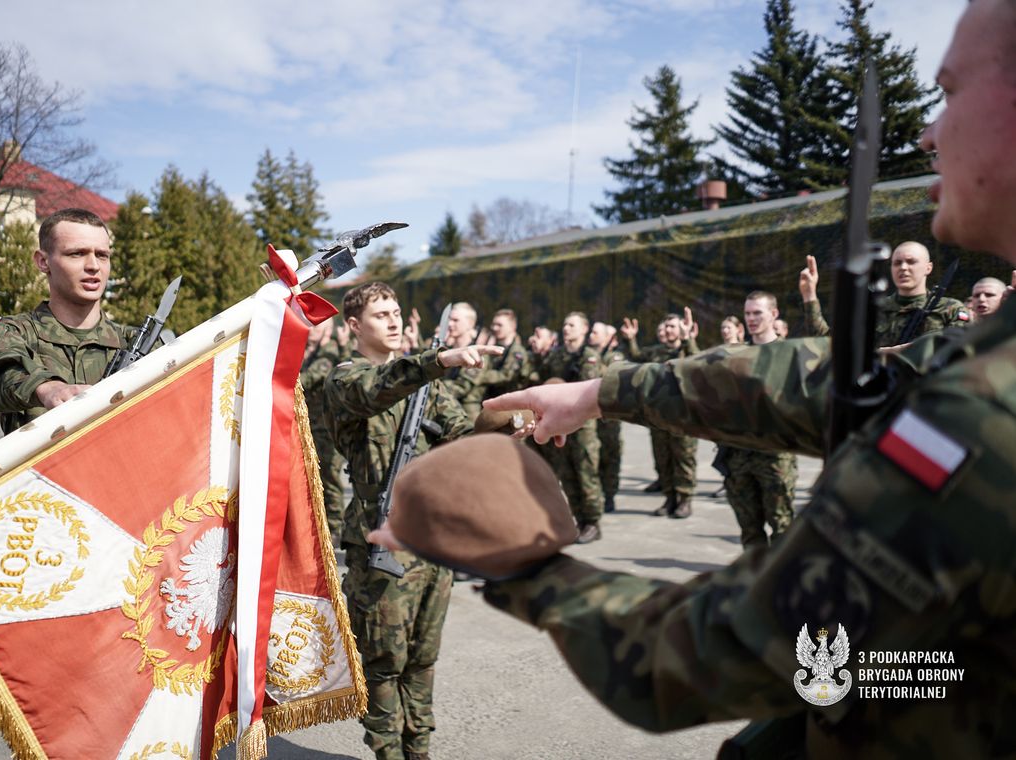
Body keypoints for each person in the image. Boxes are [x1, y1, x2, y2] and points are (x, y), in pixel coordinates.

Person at [373, 4, 1016, 753]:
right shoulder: (987, 363)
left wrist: (506, 557)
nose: (928, 133)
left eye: (949, 91)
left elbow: (705, 658)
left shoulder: (984, 421)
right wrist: (603, 392)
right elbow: (843, 381)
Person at [323, 281, 501, 760]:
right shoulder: (344, 379)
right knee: (383, 665)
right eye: (381, 314)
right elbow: (375, 390)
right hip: (381, 548)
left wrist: (515, 424)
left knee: (422, 660)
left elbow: (463, 437)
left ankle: (418, 751)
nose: (395, 320)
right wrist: (436, 361)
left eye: (397, 311)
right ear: (355, 326)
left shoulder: (427, 387)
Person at [0, 208, 137, 434]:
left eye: (102, 255)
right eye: (76, 253)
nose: (93, 265)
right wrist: (45, 388)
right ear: (43, 262)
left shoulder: (135, 343)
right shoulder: (14, 333)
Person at [722, 292, 797, 549]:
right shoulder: (735, 356)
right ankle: (754, 581)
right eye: (748, 313)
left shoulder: (789, 354)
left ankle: (779, 584)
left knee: (782, 527)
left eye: (758, 313)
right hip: (739, 456)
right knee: (749, 529)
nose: (752, 319)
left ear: (774, 314)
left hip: (775, 457)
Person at [799, 242, 970, 345]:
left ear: (928, 268)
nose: (903, 267)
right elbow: (828, 343)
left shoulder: (950, 309)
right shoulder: (872, 310)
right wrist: (809, 295)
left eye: (911, 262)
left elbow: (959, 349)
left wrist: (895, 353)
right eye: (897, 263)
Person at [622, 311, 700, 518]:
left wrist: (688, 339)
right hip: (658, 416)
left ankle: (685, 499)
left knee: (683, 458)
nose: (667, 330)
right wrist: (630, 339)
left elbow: (697, 364)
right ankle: (670, 497)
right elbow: (636, 358)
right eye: (665, 327)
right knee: (663, 458)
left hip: (683, 417)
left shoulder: (687, 351)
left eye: (672, 326)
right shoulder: (656, 352)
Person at [538, 311, 605, 542]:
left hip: (583, 424)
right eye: (565, 324)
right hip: (560, 423)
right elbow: (544, 380)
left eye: (572, 325)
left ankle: (593, 522)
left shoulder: (590, 357)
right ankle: (579, 519)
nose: (567, 328)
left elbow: (589, 390)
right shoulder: (556, 357)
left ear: (584, 329)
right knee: (566, 473)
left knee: (586, 473)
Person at [299, 319, 348, 539]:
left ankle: (336, 526)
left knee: (329, 475)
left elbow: (308, 379)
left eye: (317, 326)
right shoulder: (309, 350)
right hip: (312, 425)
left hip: (328, 427)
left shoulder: (329, 352)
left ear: (328, 330)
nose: (311, 330)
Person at [588, 321, 624, 513]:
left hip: (608, 417)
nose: (590, 335)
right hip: (589, 416)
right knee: (592, 457)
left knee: (610, 456)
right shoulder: (587, 355)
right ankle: (595, 493)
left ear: (606, 338)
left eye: (595, 332)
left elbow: (613, 379)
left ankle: (609, 495)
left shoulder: (614, 357)